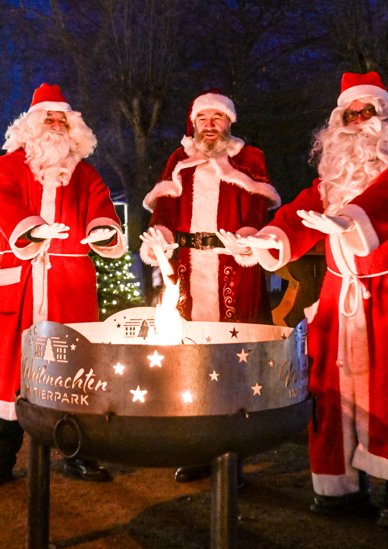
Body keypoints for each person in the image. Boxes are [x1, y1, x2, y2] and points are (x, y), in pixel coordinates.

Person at [226, 72, 388, 528]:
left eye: (367, 112)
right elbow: (301, 214)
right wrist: (262, 241)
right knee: (330, 390)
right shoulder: (333, 177)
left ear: (386, 116)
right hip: (340, 292)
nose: (358, 122)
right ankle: (337, 485)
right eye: (349, 114)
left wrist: (351, 221)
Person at [0, 83, 127, 490]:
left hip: (69, 282)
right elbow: (4, 203)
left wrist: (101, 233)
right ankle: (1, 459)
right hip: (21, 280)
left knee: (74, 366)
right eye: (49, 120)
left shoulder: (86, 174)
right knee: (12, 371)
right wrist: (35, 233)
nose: (56, 127)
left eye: (62, 120)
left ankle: (79, 454)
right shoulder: (7, 168)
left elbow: (101, 208)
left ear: (73, 129)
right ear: (31, 126)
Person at [140, 89, 281, 483]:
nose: (210, 125)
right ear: (194, 123)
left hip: (234, 264)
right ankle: (198, 446)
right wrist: (160, 236)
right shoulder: (179, 160)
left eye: (218, 118)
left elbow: (256, 204)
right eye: (203, 118)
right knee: (192, 358)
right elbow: (165, 207)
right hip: (187, 269)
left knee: (234, 358)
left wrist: (249, 237)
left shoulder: (249, 158)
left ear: (229, 122)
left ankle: (234, 454)